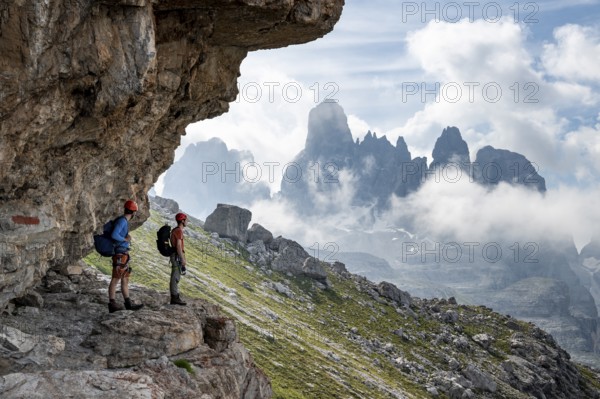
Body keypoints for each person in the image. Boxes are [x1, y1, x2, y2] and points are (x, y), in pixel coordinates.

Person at [107, 200, 144, 313]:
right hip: (120, 253)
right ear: (133, 212)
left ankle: (128, 304)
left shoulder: (122, 221)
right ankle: (112, 304)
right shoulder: (122, 221)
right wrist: (125, 239)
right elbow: (114, 235)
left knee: (125, 279)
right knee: (116, 279)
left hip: (123, 253)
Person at [170, 212, 188, 305]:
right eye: (186, 220)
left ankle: (175, 297)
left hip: (175, 256)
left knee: (176, 275)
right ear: (182, 221)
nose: (187, 222)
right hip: (177, 256)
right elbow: (178, 246)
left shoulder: (175, 230)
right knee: (175, 276)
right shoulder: (179, 231)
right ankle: (174, 298)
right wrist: (183, 259)